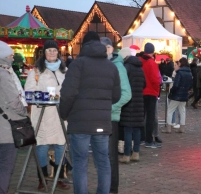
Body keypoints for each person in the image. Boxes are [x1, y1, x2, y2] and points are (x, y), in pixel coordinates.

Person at [59, 31, 121, 194]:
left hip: (79, 122)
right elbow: (116, 96)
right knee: (103, 162)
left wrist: (64, 113)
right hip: (102, 121)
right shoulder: (111, 66)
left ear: (84, 45)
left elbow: (68, 93)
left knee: (80, 163)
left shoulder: (78, 64)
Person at [24, 40, 70, 190]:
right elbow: (29, 92)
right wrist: (49, 96)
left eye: (54, 50)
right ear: (44, 53)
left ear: (59, 53)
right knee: (42, 147)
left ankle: (59, 178)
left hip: (60, 116)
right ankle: (42, 178)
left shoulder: (65, 71)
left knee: (60, 146)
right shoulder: (36, 72)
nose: (52, 53)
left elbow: (70, 91)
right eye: (49, 50)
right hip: (42, 115)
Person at [100, 37, 132, 194]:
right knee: (102, 156)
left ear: (110, 49)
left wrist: (109, 107)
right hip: (97, 117)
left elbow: (126, 94)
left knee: (111, 156)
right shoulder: (99, 65)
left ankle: (112, 189)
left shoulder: (118, 67)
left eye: (104, 48)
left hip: (110, 117)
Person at [0, 41, 28, 194]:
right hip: (4, 130)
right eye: (10, 54)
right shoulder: (3, 73)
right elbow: (13, 100)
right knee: (4, 167)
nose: (12, 57)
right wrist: (24, 111)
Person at [118, 47, 145, 163]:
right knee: (137, 129)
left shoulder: (126, 68)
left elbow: (122, 85)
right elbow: (144, 84)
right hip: (139, 101)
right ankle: (136, 153)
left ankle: (126, 155)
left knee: (128, 129)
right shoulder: (140, 68)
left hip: (129, 102)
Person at [138, 43, 162, 148]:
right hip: (151, 92)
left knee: (141, 116)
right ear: (152, 52)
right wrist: (157, 91)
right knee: (150, 118)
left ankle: (141, 138)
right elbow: (155, 79)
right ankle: (148, 140)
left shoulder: (139, 61)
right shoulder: (152, 63)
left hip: (141, 92)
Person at [162, 58, 193, 133]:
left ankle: (168, 128)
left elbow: (176, 85)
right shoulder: (189, 73)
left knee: (170, 110)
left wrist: (171, 91)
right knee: (182, 111)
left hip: (176, 95)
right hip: (184, 94)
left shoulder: (179, 73)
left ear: (181, 63)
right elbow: (191, 84)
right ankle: (182, 127)